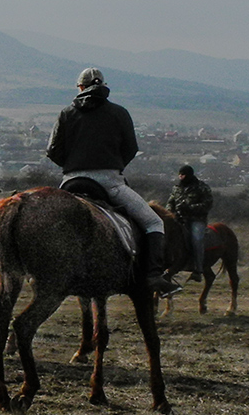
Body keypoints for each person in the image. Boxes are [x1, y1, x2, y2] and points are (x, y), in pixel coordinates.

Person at [46, 68, 182, 296]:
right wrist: (114, 165)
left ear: (80, 87)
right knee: (153, 222)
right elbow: (130, 149)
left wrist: (71, 165)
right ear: (104, 85)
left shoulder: (66, 112)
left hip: (71, 182)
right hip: (108, 182)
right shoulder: (119, 113)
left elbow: (53, 151)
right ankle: (153, 276)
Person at [166, 164, 214, 282]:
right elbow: (170, 202)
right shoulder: (176, 188)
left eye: (183, 175)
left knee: (196, 239)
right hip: (179, 219)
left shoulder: (202, 187)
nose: (181, 177)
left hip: (196, 220)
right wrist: (170, 213)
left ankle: (198, 269)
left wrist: (190, 207)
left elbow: (207, 204)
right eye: (180, 175)